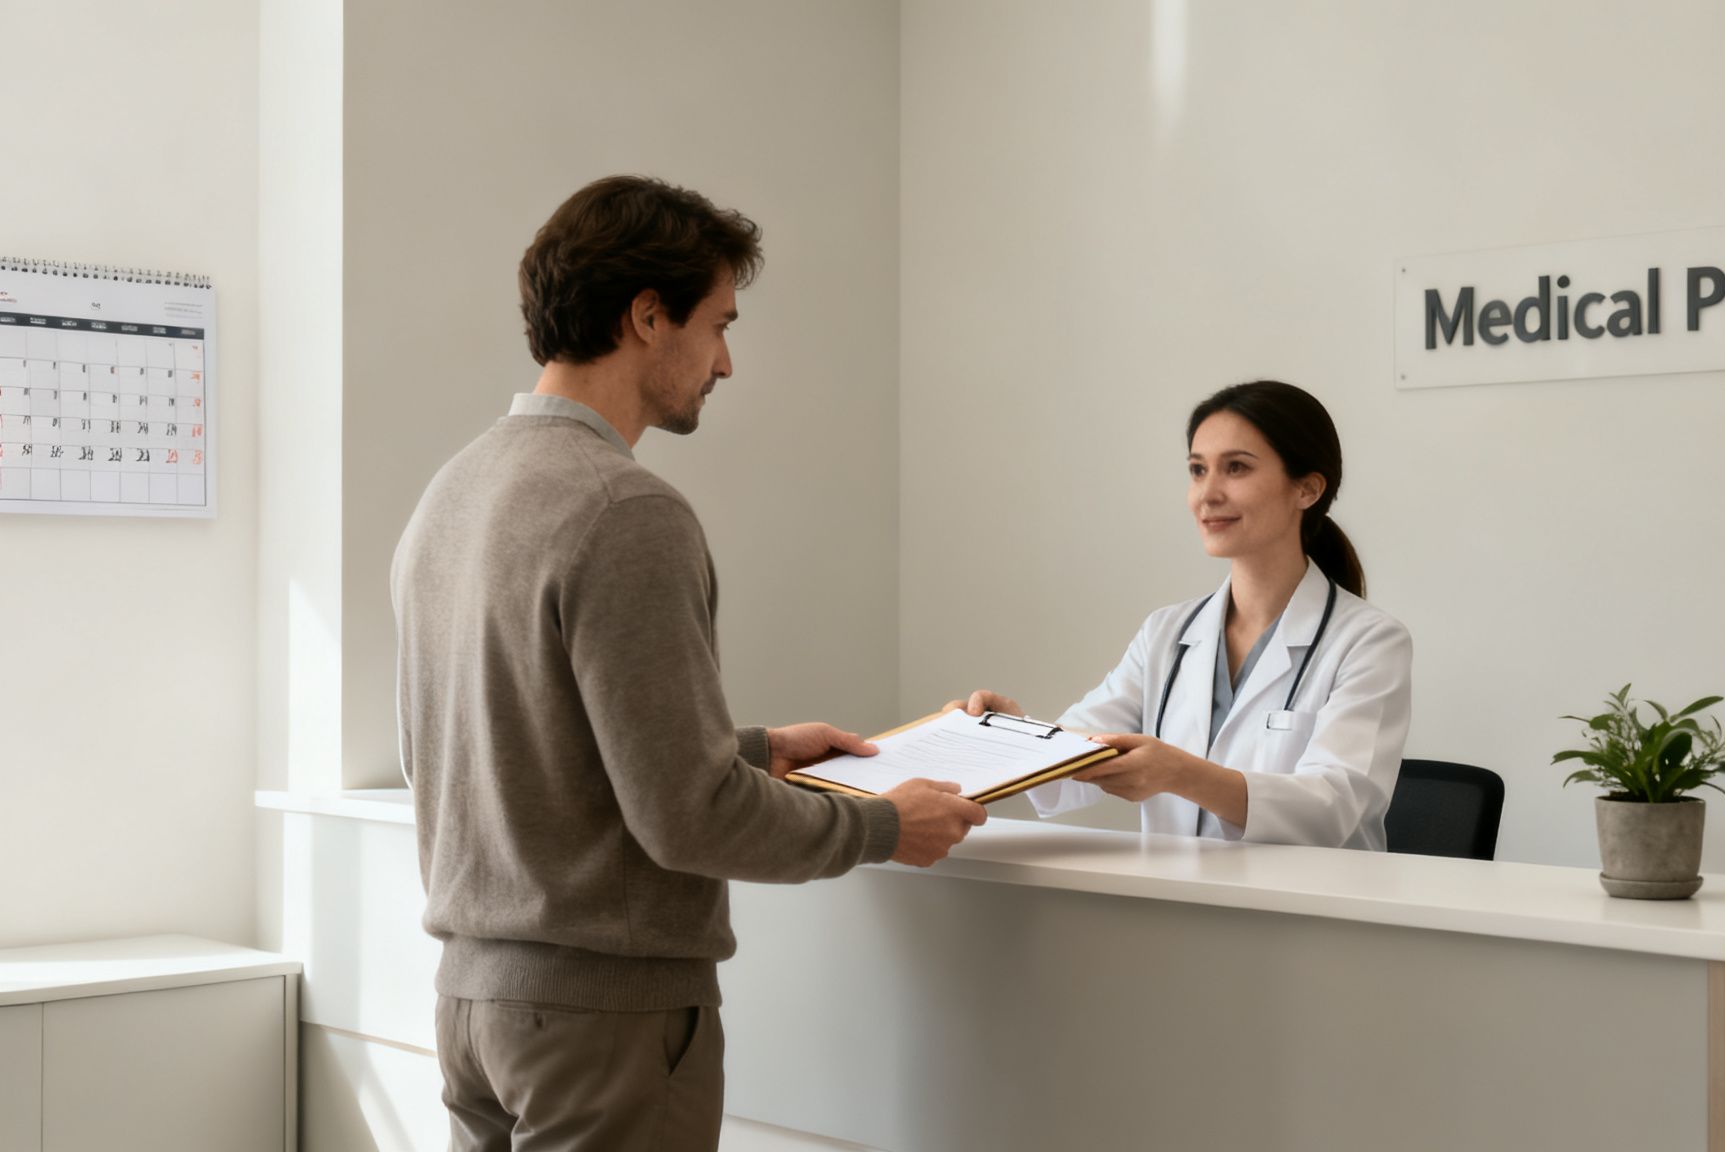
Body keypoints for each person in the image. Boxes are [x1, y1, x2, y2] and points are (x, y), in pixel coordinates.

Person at [391, 174, 985, 1151]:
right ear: (646, 316)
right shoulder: (624, 511)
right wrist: (883, 827)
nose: (726, 362)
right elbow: (685, 818)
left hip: (473, 1009)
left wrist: (748, 748)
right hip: (603, 1028)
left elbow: (501, 742)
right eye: (717, 324)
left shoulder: (452, 493)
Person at [949, 380, 1411, 849]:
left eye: (1236, 468)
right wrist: (1008, 731)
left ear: (1307, 489)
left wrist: (1181, 775)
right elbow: (1077, 757)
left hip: (1309, 914)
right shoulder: (1167, 634)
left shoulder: (1370, 642)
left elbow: (1332, 809)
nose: (1206, 495)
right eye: (1197, 470)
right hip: (1180, 907)